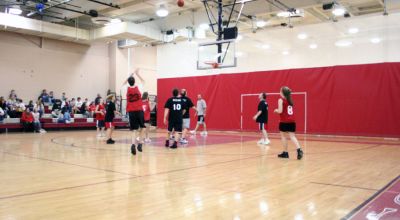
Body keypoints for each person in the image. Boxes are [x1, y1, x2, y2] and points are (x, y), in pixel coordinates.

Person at [274, 86, 304, 160]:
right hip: (292, 121)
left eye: (280, 91)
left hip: (284, 121)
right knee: (292, 136)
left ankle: (285, 153)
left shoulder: (280, 100)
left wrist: (276, 110)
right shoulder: (289, 100)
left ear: (282, 92)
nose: (279, 92)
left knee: (283, 136)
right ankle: (299, 149)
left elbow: (280, 111)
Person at [122, 68, 145, 155]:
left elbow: (123, 83)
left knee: (133, 130)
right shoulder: (139, 87)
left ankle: (132, 145)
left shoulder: (125, 88)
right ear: (134, 81)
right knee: (142, 127)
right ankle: (140, 143)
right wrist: (137, 74)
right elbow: (143, 81)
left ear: (128, 82)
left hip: (131, 112)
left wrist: (130, 75)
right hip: (139, 110)